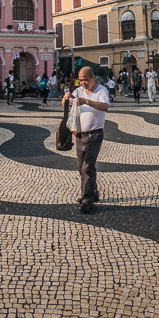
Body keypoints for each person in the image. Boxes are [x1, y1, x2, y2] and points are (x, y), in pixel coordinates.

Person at [63, 66, 110, 214]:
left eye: (85, 80)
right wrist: (65, 99)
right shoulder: (78, 91)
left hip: (94, 134)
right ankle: (93, 191)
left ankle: (87, 199)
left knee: (88, 167)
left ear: (93, 78)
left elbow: (105, 106)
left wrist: (87, 101)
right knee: (80, 167)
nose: (83, 83)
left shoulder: (101, 91)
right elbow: (66, 105)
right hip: (79, 134)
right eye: (80, 80)